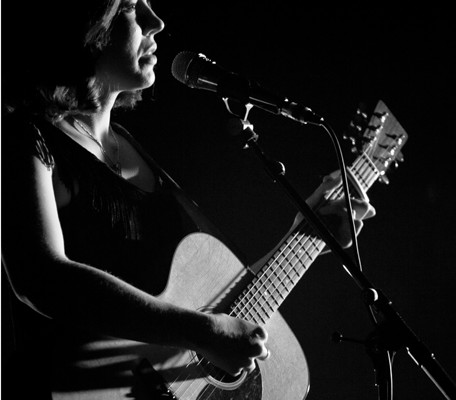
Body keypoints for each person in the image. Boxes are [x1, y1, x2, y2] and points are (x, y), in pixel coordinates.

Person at [1, 1, 375, 398]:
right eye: (130, 7)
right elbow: (41, 278)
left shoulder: (132, 148)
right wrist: (201, 332)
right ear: (84, 24)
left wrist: (303, 237)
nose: (156, 22)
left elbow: (214, 310)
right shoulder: (22, 136)